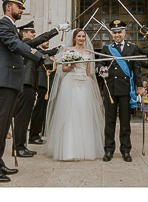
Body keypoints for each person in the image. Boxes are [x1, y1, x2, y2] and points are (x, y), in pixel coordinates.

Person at [0, 0, 53, 182]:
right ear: (8, 7)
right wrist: (39, 56)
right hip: (4, 80)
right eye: (19, 7)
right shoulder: (2, 25)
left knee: (4, 125)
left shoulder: (11, 27)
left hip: (11, 81)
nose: (21, 11)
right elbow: (15, 45)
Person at [42, 29, 105, 161]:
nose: (81, 38)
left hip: (84, 83)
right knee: (70, 114)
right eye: (79, 36)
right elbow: (64, 68)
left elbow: (89, 72)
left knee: (84, 114)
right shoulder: (68, 50)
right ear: (74, 38)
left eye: (83, 36)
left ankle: (85, 149)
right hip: (70, 82)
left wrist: (94, 88)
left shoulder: (89, 53)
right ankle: (69, 150)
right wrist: (72, 66)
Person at [97, 19, 148, 163]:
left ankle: (125, 150)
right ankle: (109, 150)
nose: (117, 35)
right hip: (110, 89)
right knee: (109, 122)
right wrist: (101, 69)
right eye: (114, 32)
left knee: (125, 122)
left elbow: (137, 68)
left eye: (119, 32)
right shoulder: (106, 49)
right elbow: (100, 64)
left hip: (126, 90)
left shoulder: (132, 48)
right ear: (111, 33)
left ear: (124, 33)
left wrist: (139, 86)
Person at [12, 21, 61, 157]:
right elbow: (40, 41)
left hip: (30, 84)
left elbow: (45, 52)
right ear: (24, 33)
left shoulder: (30, 47)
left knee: (25, 116)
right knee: (22, 117)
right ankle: (17, 147)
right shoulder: (24, 44)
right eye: (31, 32)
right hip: (24, 83)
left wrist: (60, 48)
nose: (34, 34)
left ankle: (21, 146)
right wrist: (55, 30)